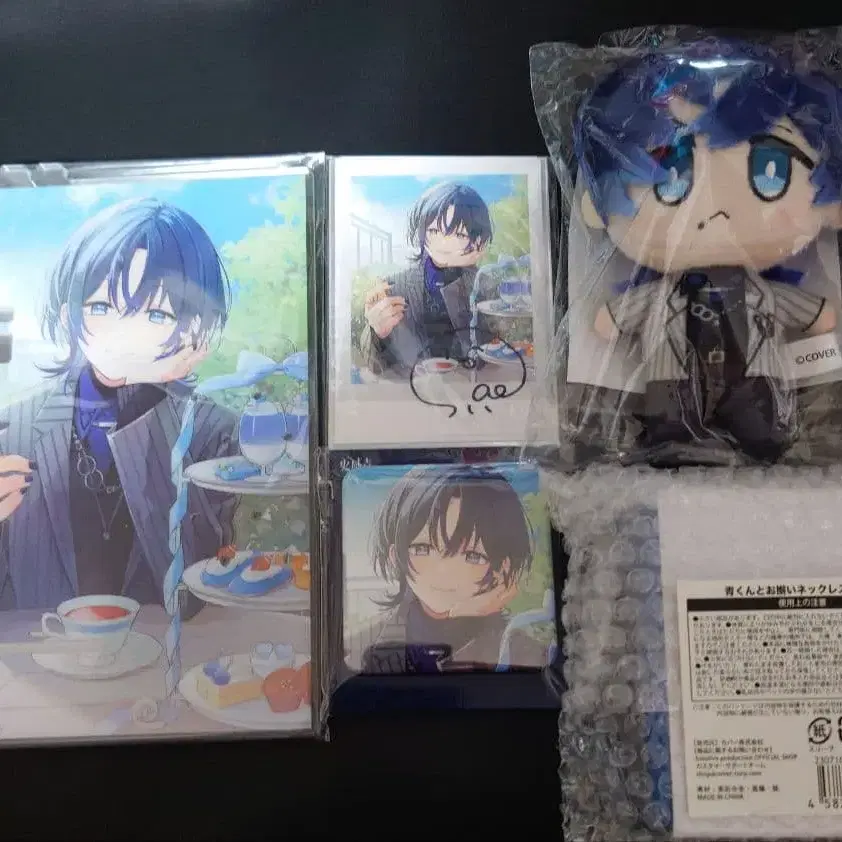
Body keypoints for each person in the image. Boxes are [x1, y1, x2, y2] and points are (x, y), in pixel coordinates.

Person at [577, 44, 842, 461]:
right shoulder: (665, 296)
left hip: (757, 388)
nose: (718, 209)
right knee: (672, 433)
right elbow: (616, 319)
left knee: (762, 432)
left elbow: (815, 315)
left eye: (769, 172)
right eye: (670, 178)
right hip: (673, 389)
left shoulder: (760, 293)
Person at [0, 198, 237, 611]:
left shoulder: (213, 432)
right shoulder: (12, 429)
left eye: (156, 315)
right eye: (101, 307)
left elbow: (194, 596)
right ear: (68, 315)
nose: (123, 333)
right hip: (41, 648)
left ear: (194, 327)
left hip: (163, 650)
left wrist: (146, 397)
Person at [358, 465, 548, 673]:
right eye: (423, 549)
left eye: (472, 556)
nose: (444, 572)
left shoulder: (528, 654)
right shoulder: (360, 645)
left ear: (502, 567)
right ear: (395, 556)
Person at [359, 182, 495, 375]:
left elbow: (499, 351)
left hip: (473, 388)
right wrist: (376, 333)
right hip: (411, 389)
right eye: (434, 231)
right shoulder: (394, 286)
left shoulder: (486, 286)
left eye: (458, 234)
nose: (443, 243)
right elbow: (374, 366)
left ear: (478, 241)